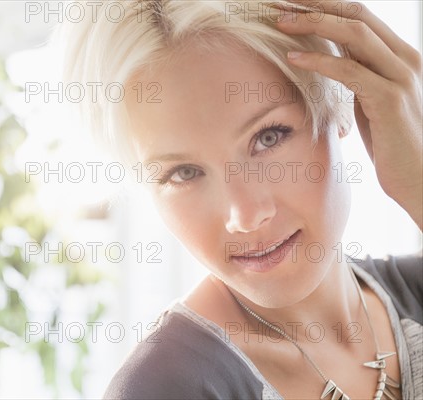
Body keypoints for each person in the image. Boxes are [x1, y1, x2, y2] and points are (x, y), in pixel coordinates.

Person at [58, 1, 422, 398]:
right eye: (184, 173)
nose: (245, 216)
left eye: (268, 137)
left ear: (342, 102)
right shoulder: (166, 388)